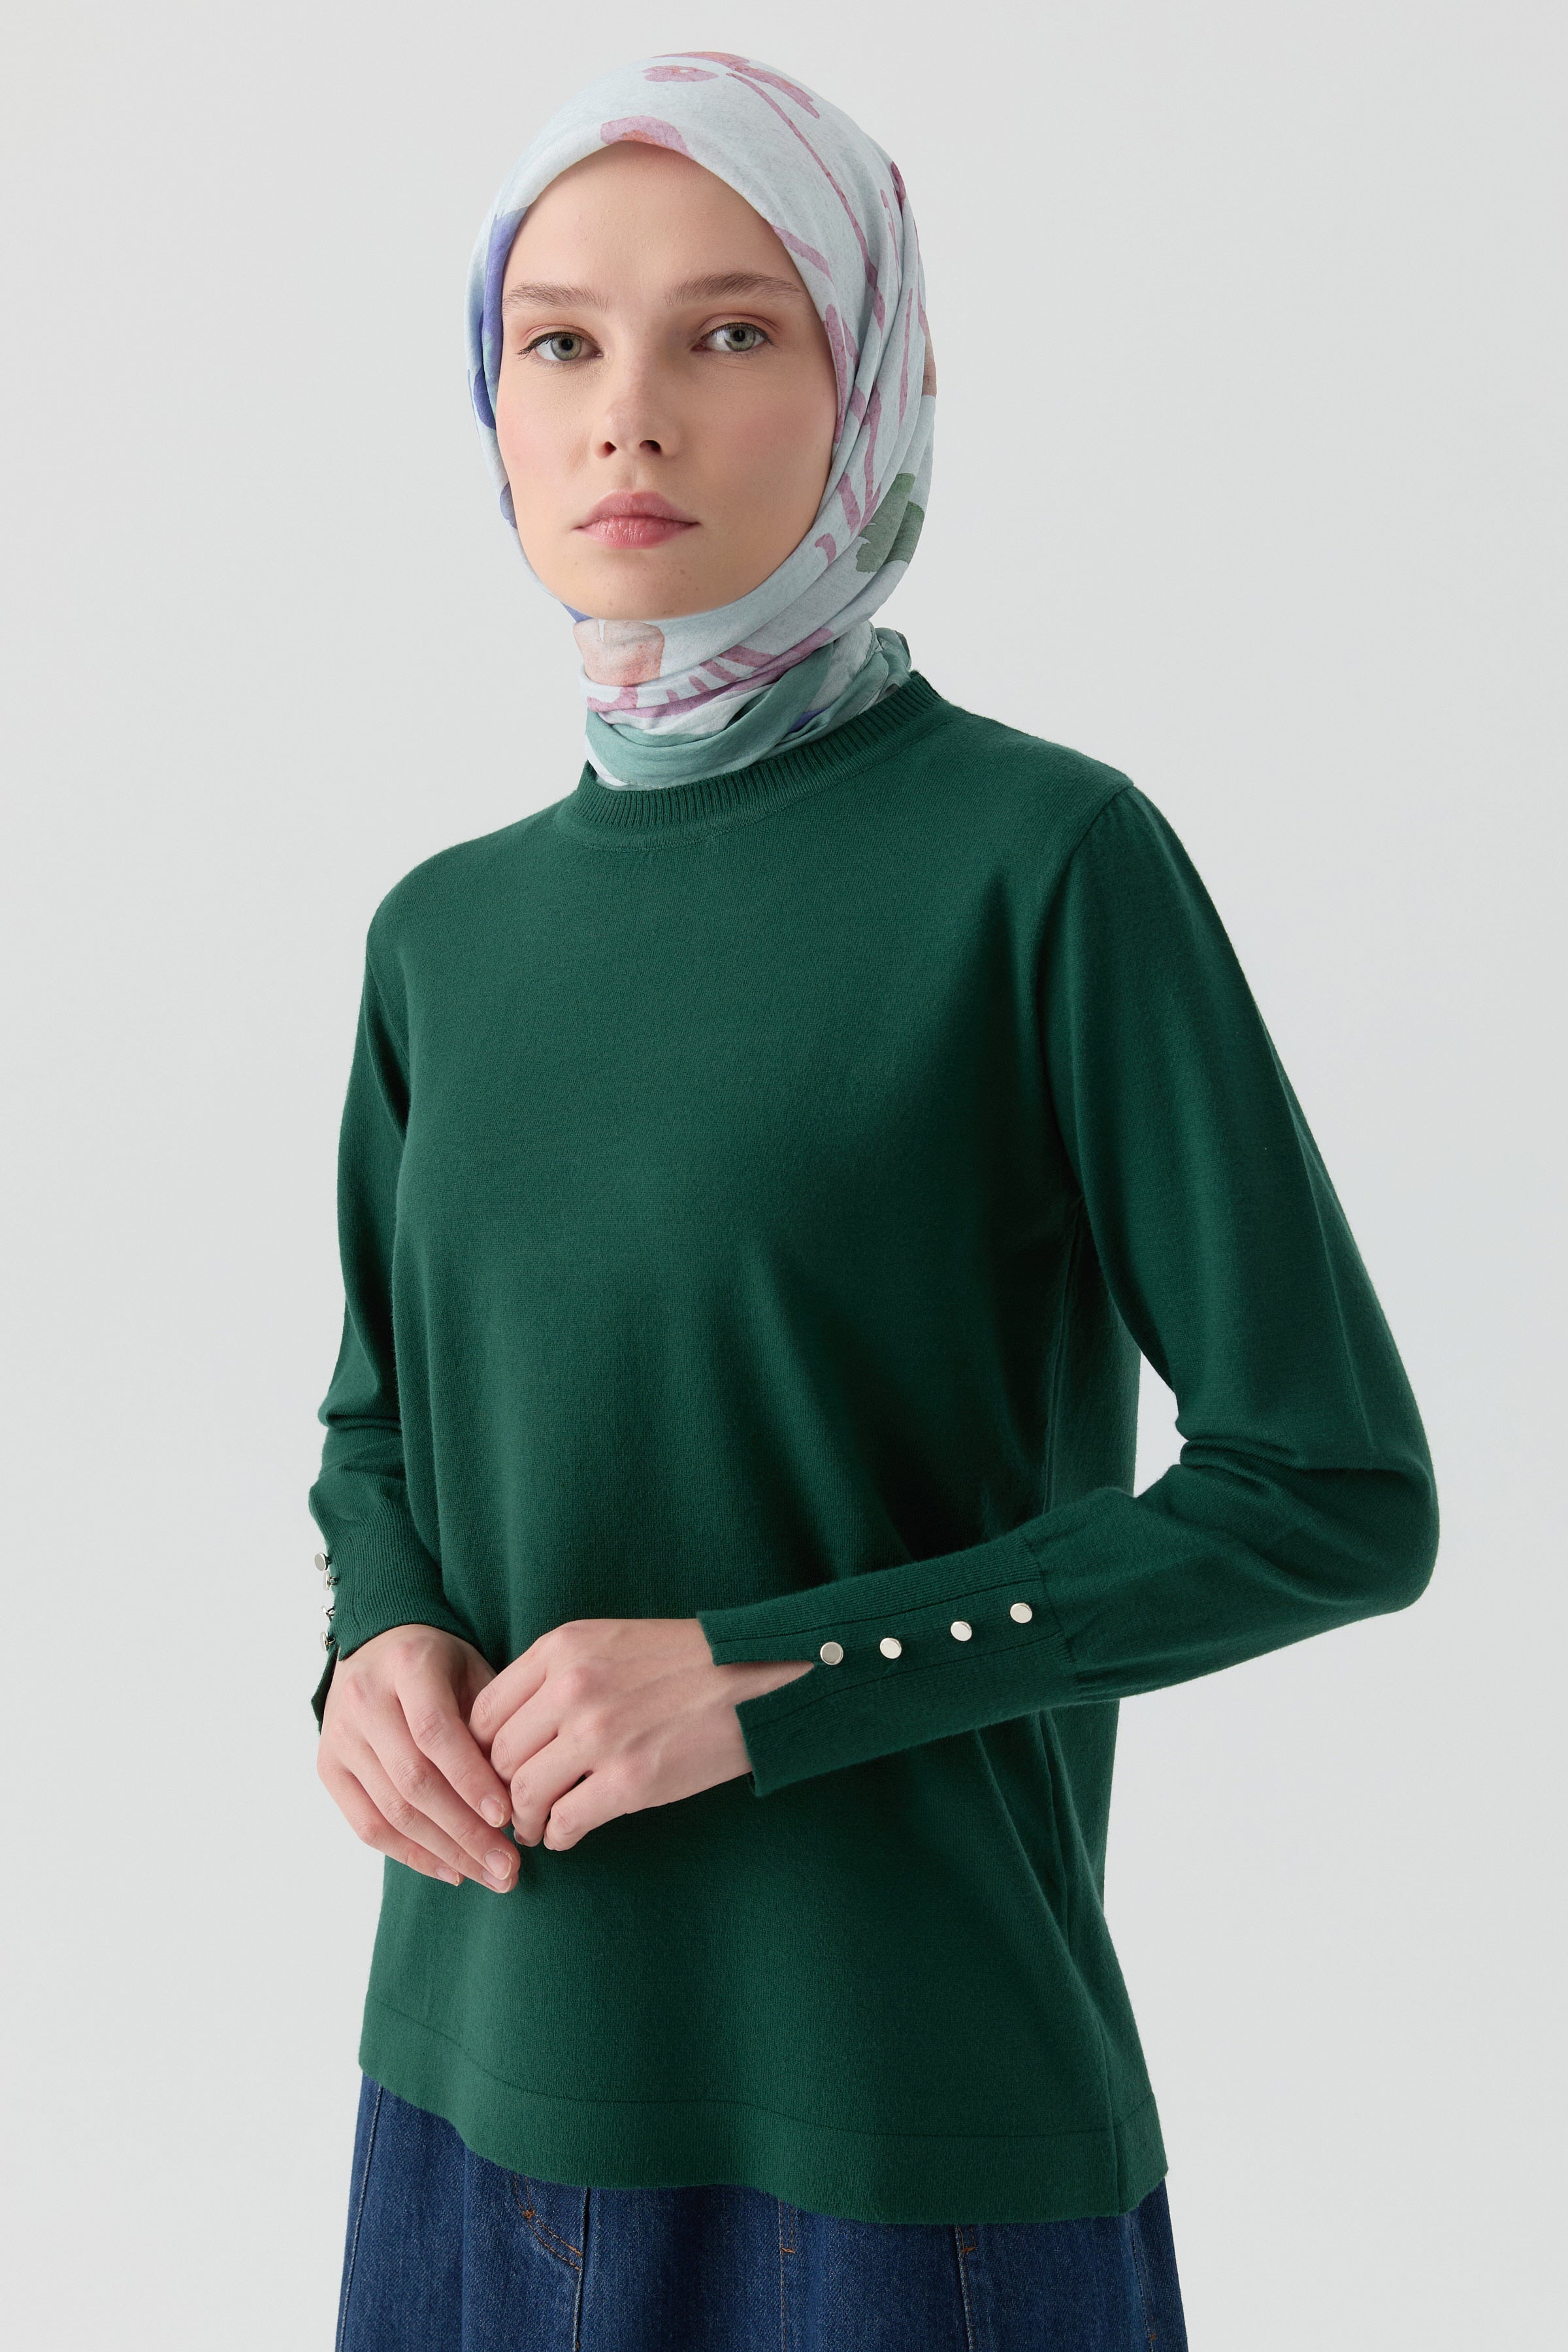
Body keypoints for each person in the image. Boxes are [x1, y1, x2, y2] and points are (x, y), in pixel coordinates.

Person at [308, 51, 1437, 2352]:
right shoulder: (443, 934)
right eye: (559, 341)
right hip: (468, 2095)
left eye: (731, 331)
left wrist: (773, 1677)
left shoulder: (1045, 863)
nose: (628, 417)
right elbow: (376, 1430)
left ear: (872, 382)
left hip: (909, 2142)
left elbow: (1333, 1495)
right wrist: (376, 1645)